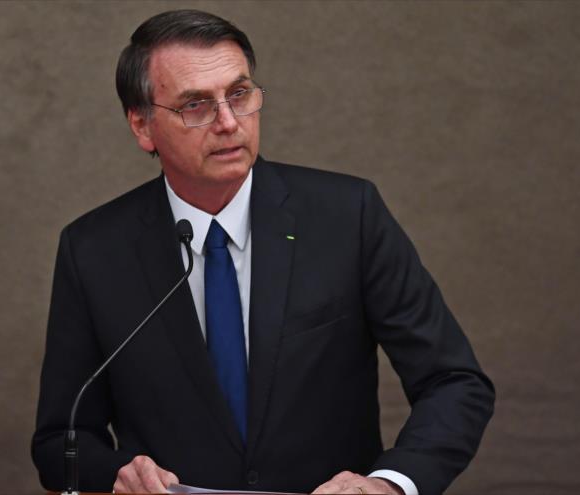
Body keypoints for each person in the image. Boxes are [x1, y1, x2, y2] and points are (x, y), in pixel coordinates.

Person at [32, 9, 494, 495]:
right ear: (142, 126)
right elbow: (59, 442)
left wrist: (389, 484)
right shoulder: (95, 250)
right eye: (196, 105)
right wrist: (116, 474)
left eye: (239, 94)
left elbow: (455, 381)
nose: (228, 122)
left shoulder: (347, 216)